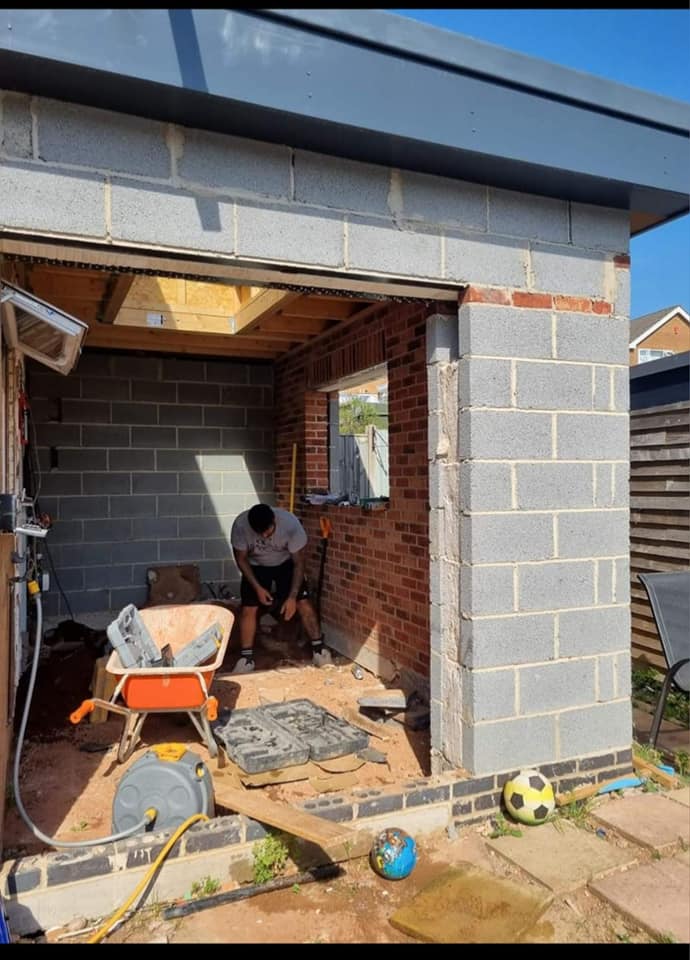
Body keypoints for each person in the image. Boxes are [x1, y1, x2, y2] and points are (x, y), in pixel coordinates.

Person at [229, 503, 332, 674]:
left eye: (267, 531)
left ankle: (319, 650)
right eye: (259, 533)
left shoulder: (290, 525)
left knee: (303, 602)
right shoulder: (240, 526)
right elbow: (241, 559)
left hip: (286, 563)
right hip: (255, 566)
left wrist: (292, 597)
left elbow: (299, 563)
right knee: (249, 608)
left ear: (274, 521)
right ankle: (246, 659)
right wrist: (257, 588)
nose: (264, 535)